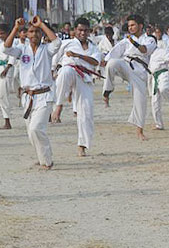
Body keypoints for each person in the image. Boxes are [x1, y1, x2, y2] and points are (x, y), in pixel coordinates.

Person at [2, 16, 60, 169]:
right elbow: (6, 48)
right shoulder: (22, 50)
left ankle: (48, 161)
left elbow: (57, 43)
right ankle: (42, 158)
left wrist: (41, 24)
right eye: (31, 32)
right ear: (26, 34)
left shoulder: (47, 50)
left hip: (44, 95)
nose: (34, 34)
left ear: (41, 34)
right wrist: (16, 28)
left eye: (37, 32)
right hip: (28, 97)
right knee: (31, 133)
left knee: (36, 128)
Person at [51, 17, 102, 156]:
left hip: (85, 78)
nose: (83, 33)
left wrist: (77, 55)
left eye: (85, 30)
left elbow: (95, 61)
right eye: (80, 30)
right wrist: (52, 70)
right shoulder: (67, 43)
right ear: (75, 30)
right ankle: (58, 106)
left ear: (89, 31)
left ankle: (82, 145)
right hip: (70, 70)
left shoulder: (93, 47)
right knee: (66, 71)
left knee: (86, 112)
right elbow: (55, 58)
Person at [102, 14, 157, 140]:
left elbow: (144, 50)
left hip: (140, 70)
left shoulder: (149, 39)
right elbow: (114, 52)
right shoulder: (126, 40)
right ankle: (107, 91)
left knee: (140, 100)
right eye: (129, 25)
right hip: (126, 64)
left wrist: (134, 43)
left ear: (140, 26)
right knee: (112, 63)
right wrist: (104, 60)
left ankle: (139, 131)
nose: (130, 27)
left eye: (133, 25)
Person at [148, 38, 169, 130]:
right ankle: (159, 124)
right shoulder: (148, 55)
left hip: (163, 73)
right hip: (154, 77)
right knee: (155, 102)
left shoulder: (161, 51)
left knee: (163, 89)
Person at [0, 23, 17, 129]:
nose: (1, 35)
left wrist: (6, 69)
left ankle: (7, 121)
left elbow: (12, 57)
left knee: (4, 95)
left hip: (6, 69)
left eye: (2, 33)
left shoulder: (12, 43)